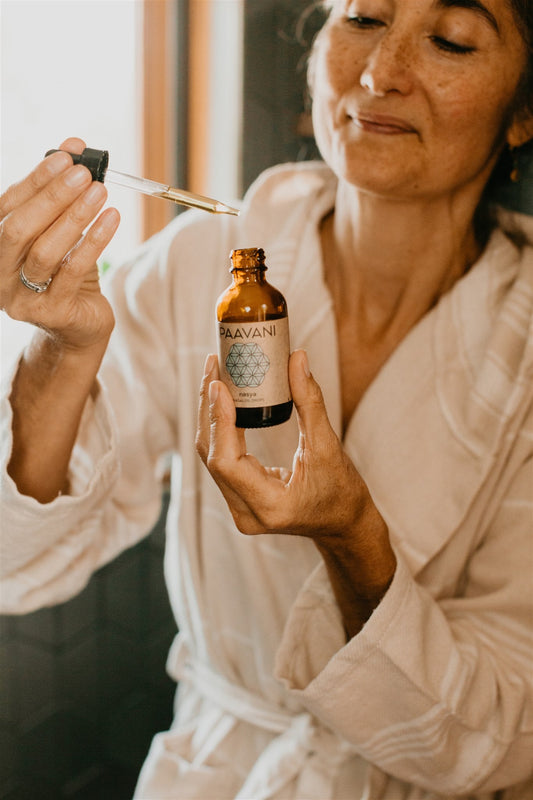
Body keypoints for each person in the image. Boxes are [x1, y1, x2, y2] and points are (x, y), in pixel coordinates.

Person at [1, 0, 532, 797]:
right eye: (363, 18)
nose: (379, 73)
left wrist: (354, 538)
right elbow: (15, 557)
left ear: (522, 113)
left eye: (449, 41)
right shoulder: (200, 261)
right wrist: (62, 349)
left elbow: (498, 729)